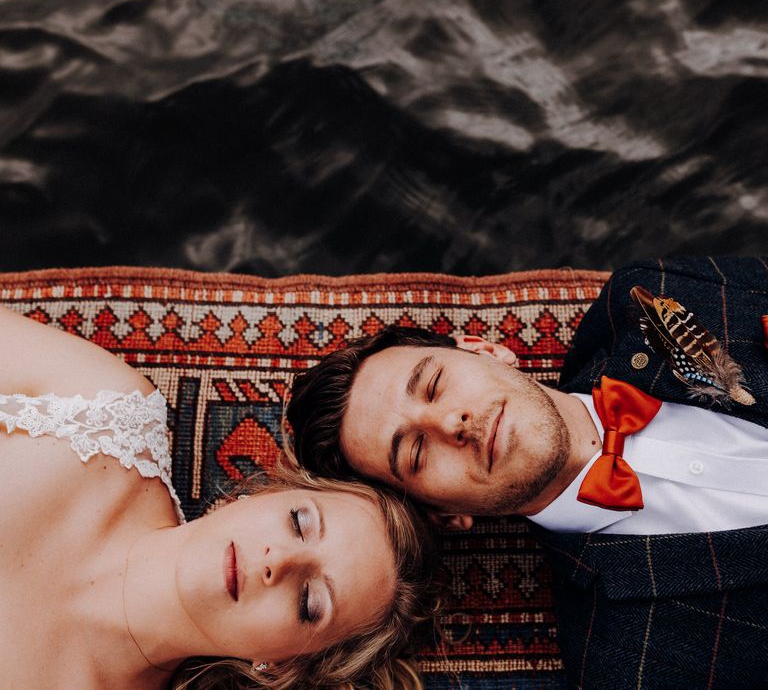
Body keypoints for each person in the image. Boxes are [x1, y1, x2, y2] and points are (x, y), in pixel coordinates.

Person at [286, 256, 768, 688]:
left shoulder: (651, 293)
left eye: (434, 385)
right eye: (415, 452)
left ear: (486, 350)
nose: (451, 423)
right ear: (445, 516)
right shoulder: (628, 663)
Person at [0, 304, 440, 689]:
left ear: (281, 666)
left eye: (310, 602)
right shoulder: (105, 409)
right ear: (259, 493)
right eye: (299, 522)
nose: (279, 562)